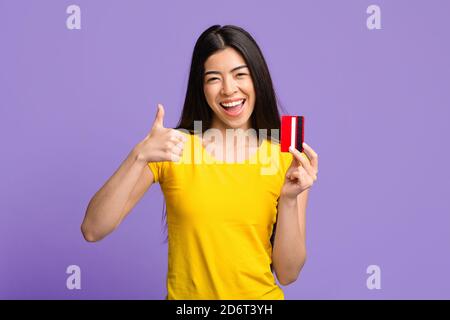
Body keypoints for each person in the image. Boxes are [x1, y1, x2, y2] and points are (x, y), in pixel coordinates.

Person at [81, 25, 319, 300]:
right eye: (214, 78)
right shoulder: (173, 148)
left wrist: (289, 199)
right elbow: (93, 229)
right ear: (201, 87)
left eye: (240, 74)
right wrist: (138, 156)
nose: (229, 89)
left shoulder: (285, 159)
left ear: (258, 79)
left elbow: (288, 273)